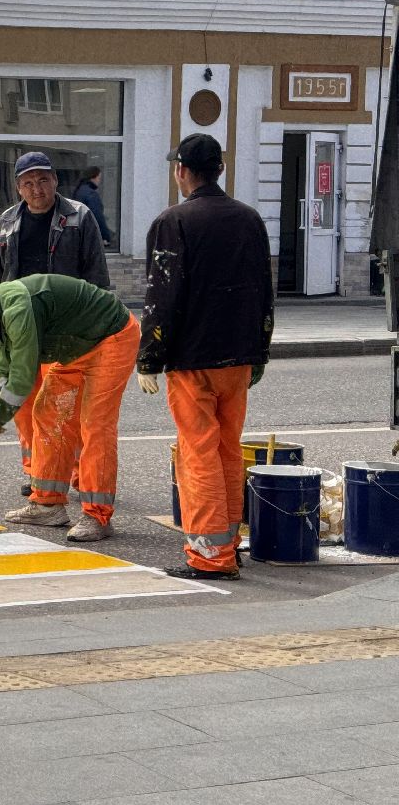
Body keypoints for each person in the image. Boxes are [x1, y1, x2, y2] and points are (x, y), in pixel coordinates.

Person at [135, 133, 273, 580]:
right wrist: (260, 352)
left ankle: (208, 555)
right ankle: (227, 545)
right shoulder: (249, 219)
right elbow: (264, 292)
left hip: (194, 360)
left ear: (181, 171)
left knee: (198, 452)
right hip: (238, 357)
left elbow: (162, 295)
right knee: (229, 448)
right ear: (220, 169)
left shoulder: (173, 221)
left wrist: (149, 357)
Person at [0, 273, 139, 542]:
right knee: (47, 413)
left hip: (110, 337)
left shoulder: (17, 310)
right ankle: (48, 506)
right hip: (75, 347)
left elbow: (22, 378)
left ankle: (98, 516)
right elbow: (5, 377)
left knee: (95, 424)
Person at [0, 151, 111, 497]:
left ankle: (80, 473)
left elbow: (97, 276)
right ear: (18, 188)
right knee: (26, 409)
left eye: (42, 180)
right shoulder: (6, 223)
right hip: (19, 329)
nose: (36, 188)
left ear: (55, 181)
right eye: (28, 182)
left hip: (65, 333)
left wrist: (94, 330)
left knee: (66, 409)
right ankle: (40, 474)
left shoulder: (78, 217)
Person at [73, 166, 114, 246]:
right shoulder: (91, 194)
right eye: (99, 178)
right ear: (92, 178)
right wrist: (106, 236)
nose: (99, 181)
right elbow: (97, 216)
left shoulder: (78, 191)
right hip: (89, 235)